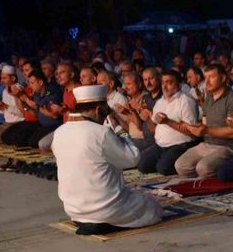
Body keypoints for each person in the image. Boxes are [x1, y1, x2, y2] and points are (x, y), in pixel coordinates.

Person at [52, 84, 162, 235]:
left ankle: (98, 222)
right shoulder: (101, 132)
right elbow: (132, 158)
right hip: (106, 209)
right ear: (97, 110)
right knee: (153, 207)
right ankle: (107, 223)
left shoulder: (59, 132)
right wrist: (119, 129)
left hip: (74, 210)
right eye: (105, 112)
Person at [174, 64, 233, 179]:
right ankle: (205, 176)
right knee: (180, 166)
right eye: (206, 78)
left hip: (227, 147)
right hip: (207, 144)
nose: (207, 81)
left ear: (223, 78)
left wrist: (206, 130)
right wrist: (190, 127)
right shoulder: (209, 98)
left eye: (211, 77)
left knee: (203, 168)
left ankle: (217, 174)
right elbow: (205, 125)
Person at [137, 71, 199, 175]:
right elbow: (154, 130)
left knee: (163, 168)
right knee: (142, 166)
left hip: (180, 145)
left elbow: (192, 131)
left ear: (179, 85)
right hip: (160, 145)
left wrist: (168, 121)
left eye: (169, 83)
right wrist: (148, 118)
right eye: (162, 83)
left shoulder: (185, 101)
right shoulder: (160, 102)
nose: (164, 87)